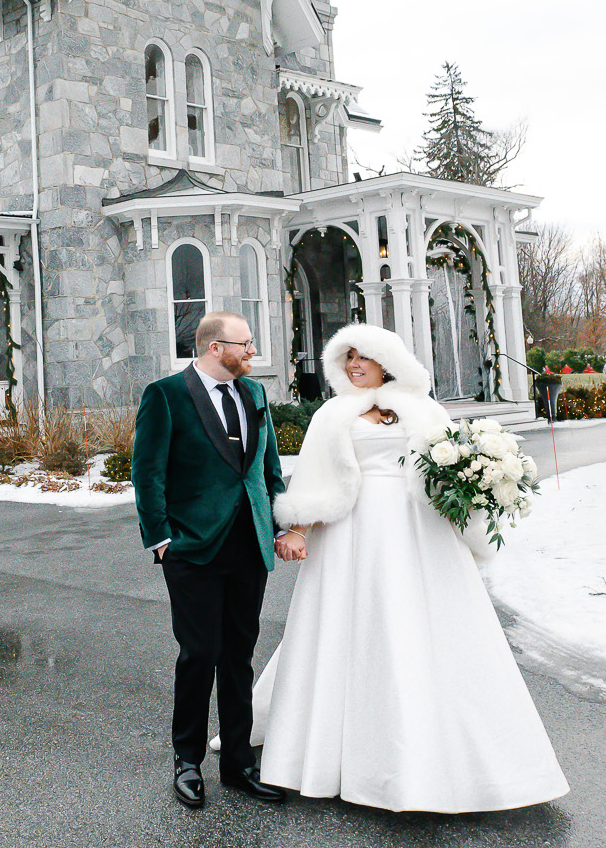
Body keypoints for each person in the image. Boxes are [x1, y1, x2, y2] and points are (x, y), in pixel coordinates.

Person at [252, 322, 569, 813]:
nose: (353, 365)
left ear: (387, 361)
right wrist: (296, 528)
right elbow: (315, 477)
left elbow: (451, 466)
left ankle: (443, 755)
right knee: (351, 629)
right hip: (351, 535)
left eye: (362, 356)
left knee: (428, 627)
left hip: (420, 531)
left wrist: (479, 491)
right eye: (347, 357)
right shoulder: (333, 414)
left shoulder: (424, 409)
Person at [132, 310, 289, 809]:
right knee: (198, 654)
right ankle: (187, 762)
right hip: (193, 548)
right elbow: (147, 472)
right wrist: (161, 540)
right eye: (245, 344)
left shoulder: (254, 394)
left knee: (239, 656)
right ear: (215, 347)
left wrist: (282, 523)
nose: (252, 351)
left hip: (249, 546)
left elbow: (267, 468)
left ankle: (239, 764)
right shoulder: (166, 395)